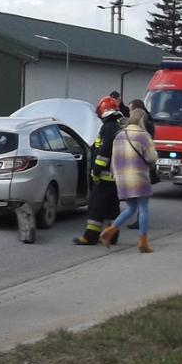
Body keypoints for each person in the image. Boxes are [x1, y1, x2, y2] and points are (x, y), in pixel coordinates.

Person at [72, 95, 126, 245]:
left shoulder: (108, 128)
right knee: (112, 208)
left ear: (103, 112)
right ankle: (112, 235)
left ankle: (90, 237)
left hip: (105, 177)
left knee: (96, 206)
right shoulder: (120, 125)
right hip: (116, 177)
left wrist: (96, 170)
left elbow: (105, 152)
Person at [102, 112, 158, 253]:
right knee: (143, 209)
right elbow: (151, 158)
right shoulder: (144, 136)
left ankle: (110, 231)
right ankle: (143, 242)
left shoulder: (119, 136)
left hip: (122, 178)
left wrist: (116, 175)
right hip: (139, 176)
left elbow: (114, 158)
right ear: (142, 121)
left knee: (131, 208)